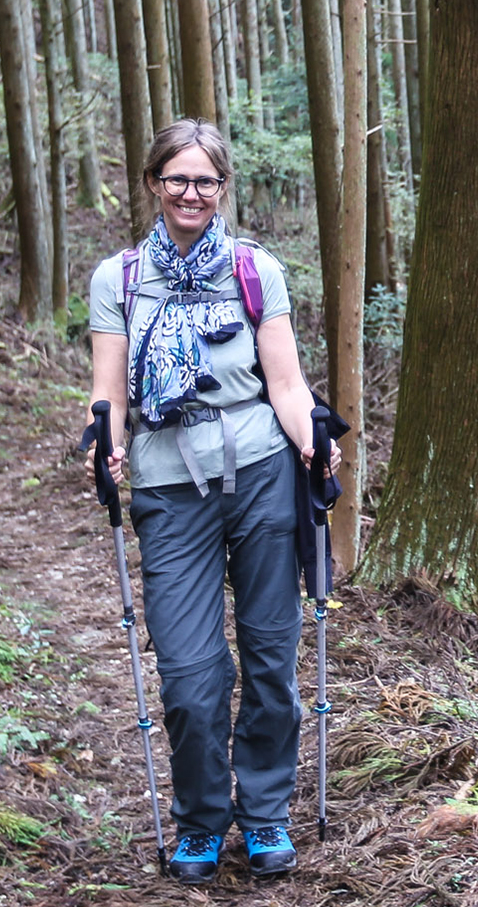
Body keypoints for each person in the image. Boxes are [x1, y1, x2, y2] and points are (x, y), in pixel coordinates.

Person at [86, 118, 339, 884]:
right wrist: (107, 441)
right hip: (168, 488)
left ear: (222, 188)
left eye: (205, 181)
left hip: (261, 475)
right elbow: (107, 393)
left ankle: (263, 813)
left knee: (269, 656)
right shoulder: (120, 279)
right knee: (191, 677)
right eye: (177, 178)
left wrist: (311, 438)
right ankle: (200, 819)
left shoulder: (255, 269)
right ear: (153, 184)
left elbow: (286, 385)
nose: (191, 193)